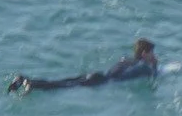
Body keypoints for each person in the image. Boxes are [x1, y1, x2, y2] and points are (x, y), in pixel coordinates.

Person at [9, 39, 158, 93]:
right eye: (152, 53)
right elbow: (152, 74)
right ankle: (31, 84)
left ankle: (26, 80)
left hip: (97, 74)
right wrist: (154, 66)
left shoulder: (126, 60)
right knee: (62, 86)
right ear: (144, 54)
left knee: (61, 82)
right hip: (101, 81)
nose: (154, 56)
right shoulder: (142, 66)